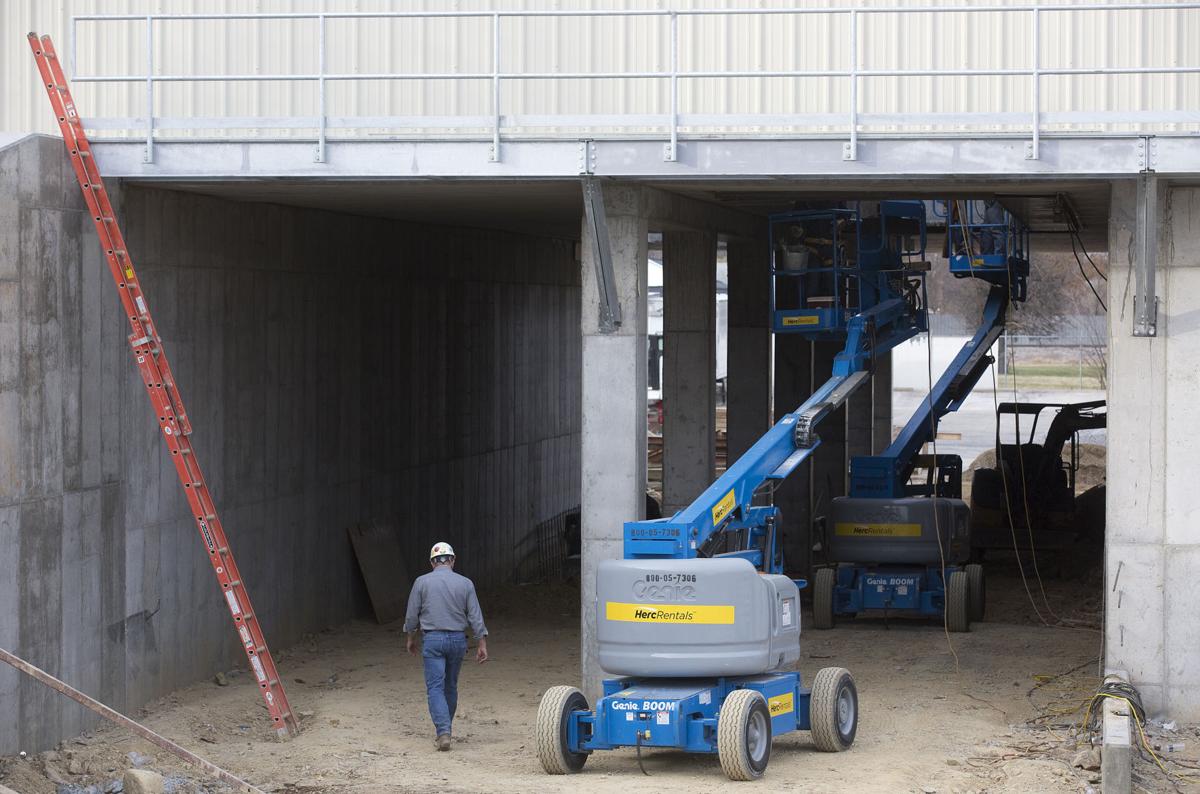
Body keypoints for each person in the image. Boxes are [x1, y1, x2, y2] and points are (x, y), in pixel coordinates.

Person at [403, 542, 489, 751]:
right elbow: (475, 615)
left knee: (435, 687)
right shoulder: (465, 583)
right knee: (450, 685)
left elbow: (412, 614)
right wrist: (481, 642)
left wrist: (410, 637)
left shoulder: (421, 582)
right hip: (458, 641)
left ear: (432, 562)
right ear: (452, 560)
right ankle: (446, 729)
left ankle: (443, 732)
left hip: (432, 640)